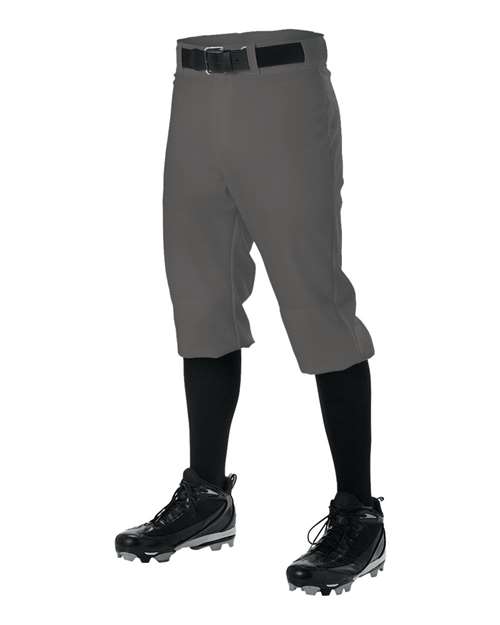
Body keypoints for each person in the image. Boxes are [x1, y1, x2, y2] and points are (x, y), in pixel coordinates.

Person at [115, 29, 386, 597]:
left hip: (282, 87)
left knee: (316, 307)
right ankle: (207, 496)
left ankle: (360, 516)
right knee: (200, 302)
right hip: (193, 90)